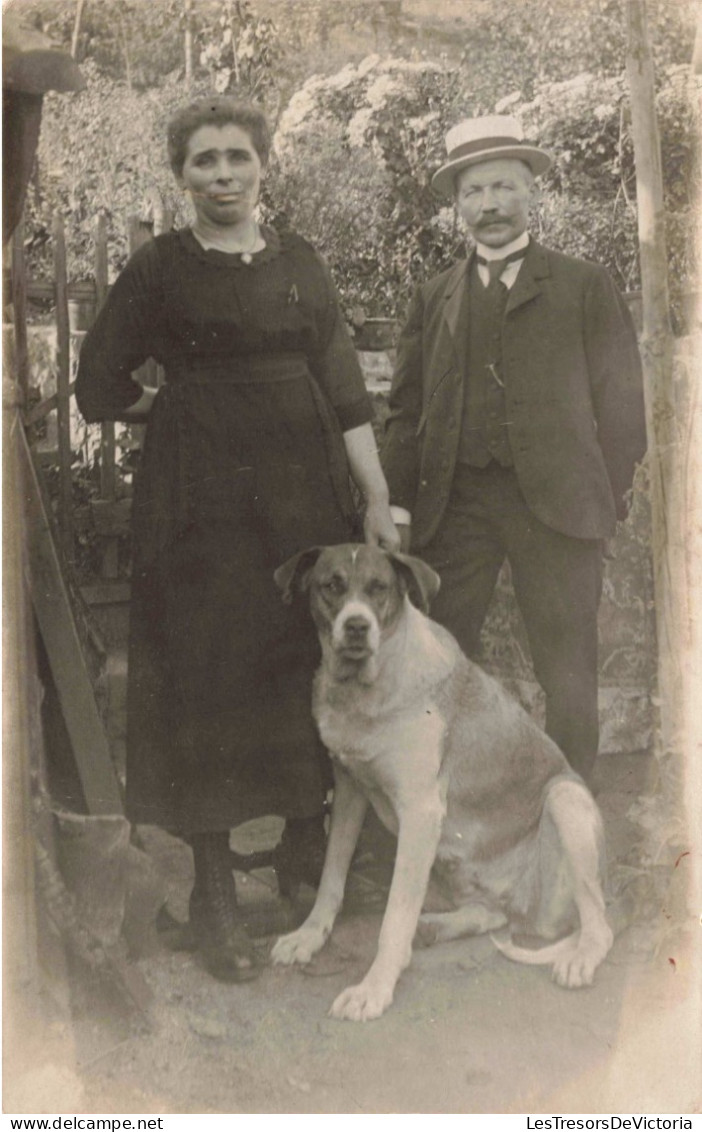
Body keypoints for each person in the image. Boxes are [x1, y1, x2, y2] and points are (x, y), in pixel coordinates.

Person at [76, 96, 399, 983]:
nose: (222, 174)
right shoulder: (156, 270)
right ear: (180, 175)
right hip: (199, 511)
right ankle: (215, 899)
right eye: (204, 161)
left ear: (264, 166)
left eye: (237, 158)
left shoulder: (302, 267)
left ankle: (303, 864)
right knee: (206, 683)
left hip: (304, 499)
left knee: (300, 671)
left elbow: (345, 394)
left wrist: (373, 498)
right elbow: (97, 388)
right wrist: (180, 406)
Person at [382, 114, 646, 784]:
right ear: (457, 206)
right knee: (436, 667)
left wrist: (602, 495)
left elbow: (622, 404)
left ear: (532, 192)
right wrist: (405, 509)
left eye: (504, 187)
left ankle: (571, 814)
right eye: (474, 192)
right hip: (457, 507)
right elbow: (406, 410)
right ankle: (442, 817)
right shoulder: (435, 293)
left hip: (557, 510)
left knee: (569, 672)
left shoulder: (583, 285)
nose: (490, 205)